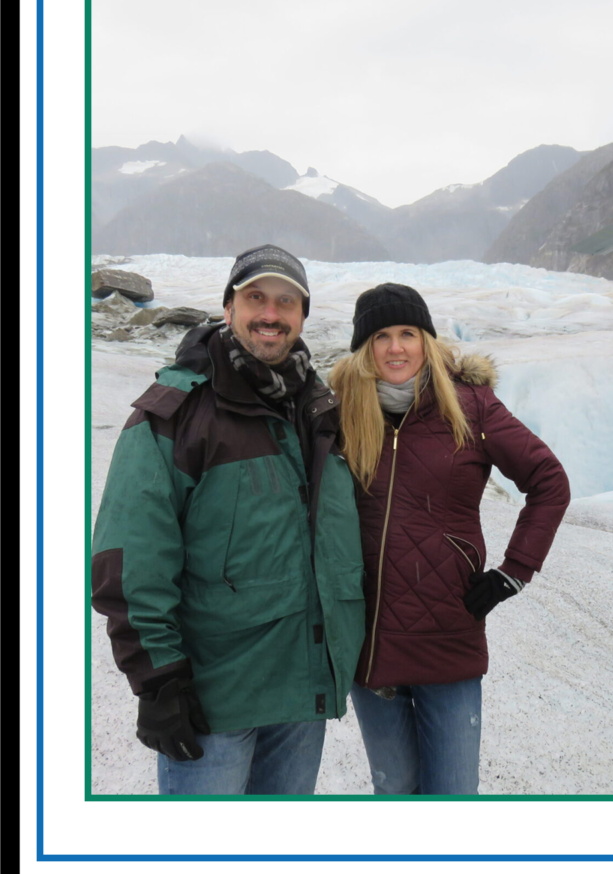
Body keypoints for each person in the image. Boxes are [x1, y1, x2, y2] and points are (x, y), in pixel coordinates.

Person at [91, 244, 365, 795]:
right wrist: (159, 681)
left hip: (301, 695)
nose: (271, 314)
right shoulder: (174, 414)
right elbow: (128, 557)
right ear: (227, 308)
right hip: (215, 700)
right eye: (255, 297)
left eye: (286, 302)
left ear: (303, 316)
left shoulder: (318, 408)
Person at [328, 282, 570, 795]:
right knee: (394, 793)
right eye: (381, 336)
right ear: (363, 348)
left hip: (447, 638)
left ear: (427, 341)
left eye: (408, 334)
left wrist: (515, 571)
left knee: (454, 796)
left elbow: (549, 482)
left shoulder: (470, 407)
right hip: (370, 644)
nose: (396, 348)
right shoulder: (340, 413)